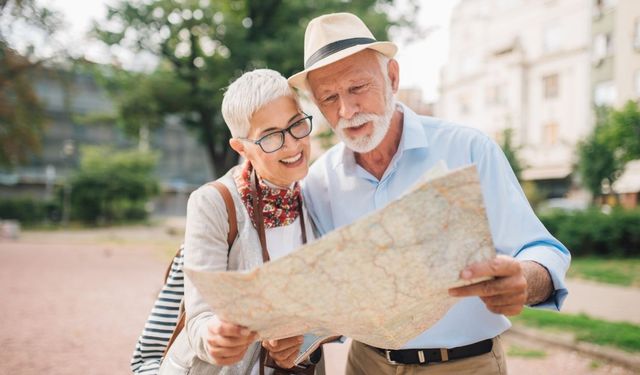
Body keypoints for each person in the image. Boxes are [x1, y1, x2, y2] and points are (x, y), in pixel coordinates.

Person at [286, 12, 571, 374]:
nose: (347, 110)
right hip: (366, 363)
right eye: (329, 98)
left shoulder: (468, 150)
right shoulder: (319, 182)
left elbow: (542, 250)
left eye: (358, 88)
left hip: (464, 364)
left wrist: (524, 280)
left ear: (392, 78)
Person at [159, 69, 317, 375]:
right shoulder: (213, 203)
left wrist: (302, 344)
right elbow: (200, 316)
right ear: (241, 147)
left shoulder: (314, 197)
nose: (292, 145)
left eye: (296, 124)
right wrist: (216, 336)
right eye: (271, 135)